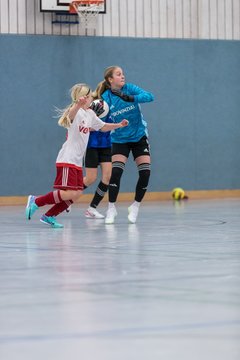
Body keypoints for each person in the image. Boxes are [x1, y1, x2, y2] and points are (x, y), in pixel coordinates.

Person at [25, 83, 128, 228]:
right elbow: (71, 115)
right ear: (82, 98)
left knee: (77, 193)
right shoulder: (76, 112)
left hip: (77, 162)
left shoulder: (90, 114)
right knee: (68, 193)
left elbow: (103, 126)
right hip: (67, 159)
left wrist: (119, 125)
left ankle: (49, 216)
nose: (92, 97)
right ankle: (36, 201)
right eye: (89, 95)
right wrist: (77, 105)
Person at [95, 66, 154, 224]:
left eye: (123, 74)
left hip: (139, 136)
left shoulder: (130, 88)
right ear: (110, 79)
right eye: (118, 74)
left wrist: (131, 98)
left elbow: (150, 96)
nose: (122, 76)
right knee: (116, 172)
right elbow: (98, 117)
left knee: (145, 173)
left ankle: (135, 206)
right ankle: (111, 208)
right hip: (120, 139)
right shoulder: (106, 97)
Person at [83, 91, 113, 219]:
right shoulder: (93, 107)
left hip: (106, 145)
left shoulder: (112, 108)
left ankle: (92, 208)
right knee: (90, 178)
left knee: (107, 177)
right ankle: (68, 197)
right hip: (92, 146)